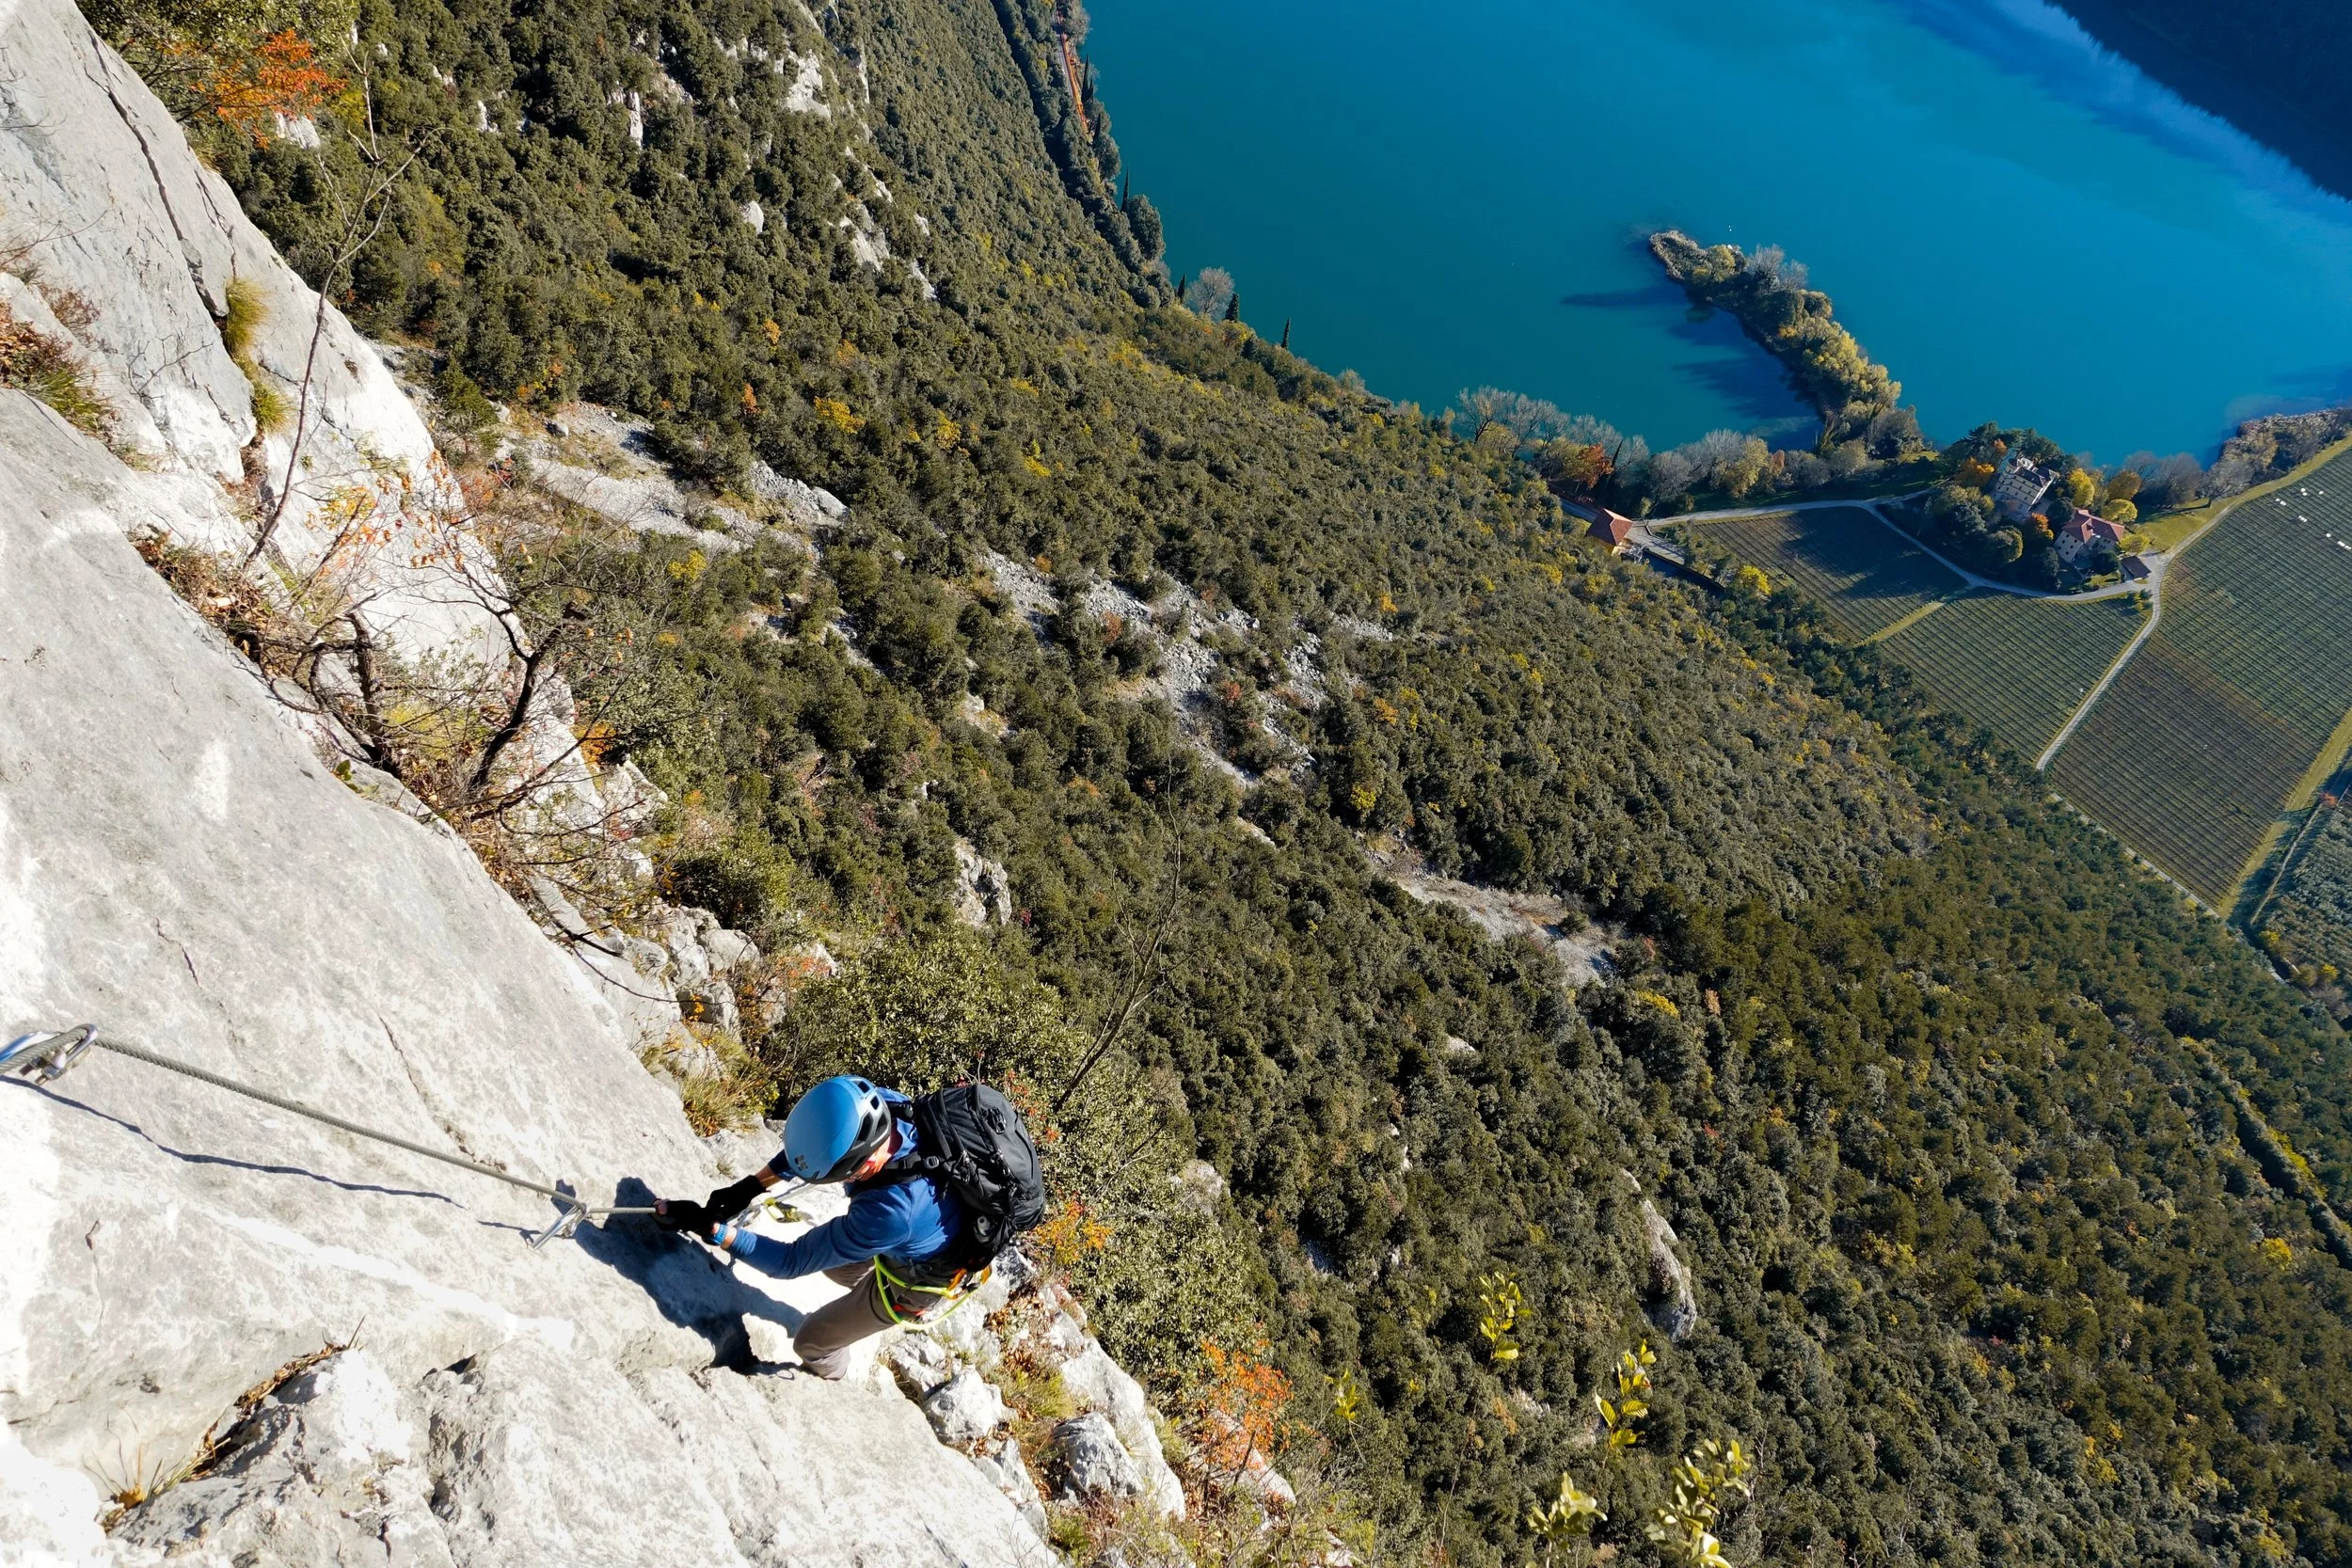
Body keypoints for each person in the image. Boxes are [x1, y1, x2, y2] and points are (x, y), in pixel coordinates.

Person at [655, 1074, 977, 1379]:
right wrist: (750, 1187)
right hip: (916, 1229)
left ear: (863, 1167)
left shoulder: (889, 1211)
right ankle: (863, 1296)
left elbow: (790, 1261)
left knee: (811, 1343)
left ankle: (837, 1371)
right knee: (838, 1270)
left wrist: (712, 1230)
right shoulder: (878, 1107)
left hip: (918, 1279)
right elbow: (812, 1146)